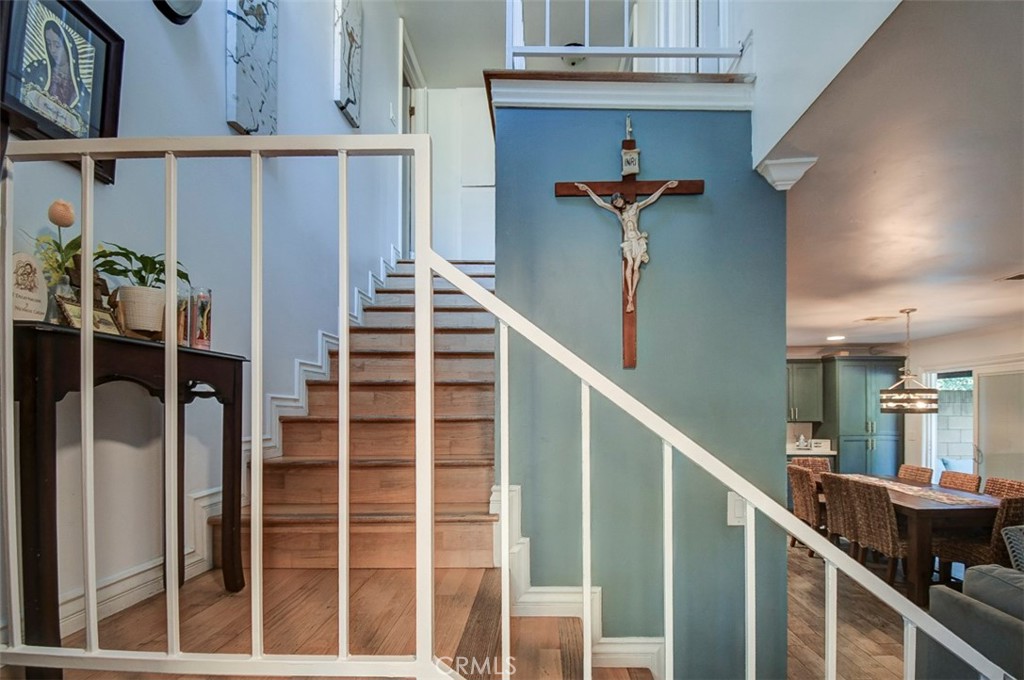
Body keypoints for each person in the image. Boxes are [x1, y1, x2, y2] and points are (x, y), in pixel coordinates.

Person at [575, 180, 678, 313]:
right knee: (629, 264)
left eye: (618, 200)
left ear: (622, 198)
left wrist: (665, 187)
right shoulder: (619, 213)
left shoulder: (635, 207)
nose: (617, 203)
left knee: (636, 267)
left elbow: (651, 199)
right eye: (615, 203)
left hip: (637, 240)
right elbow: (601, 203)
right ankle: (629, 297)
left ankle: (631, 295)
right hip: (628, 242)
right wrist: (587, 189)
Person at [42, 20, 77, 107]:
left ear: (68, 48)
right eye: (49, 44)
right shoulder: (38, 69)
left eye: (57, 45)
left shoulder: (78, 89)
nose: (52, 50)